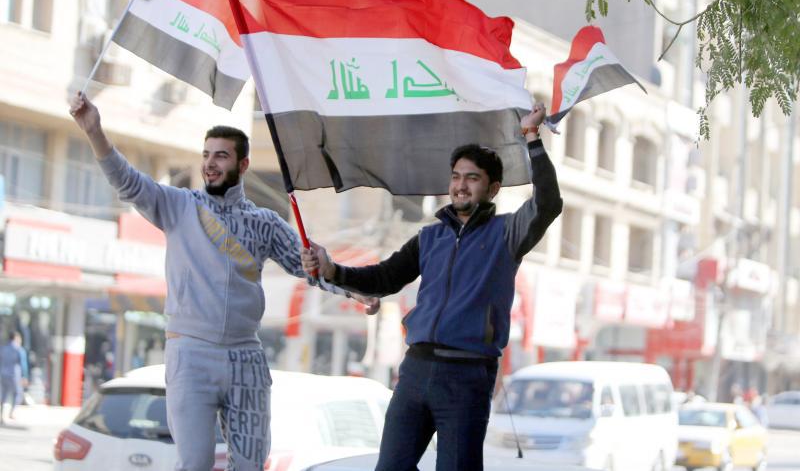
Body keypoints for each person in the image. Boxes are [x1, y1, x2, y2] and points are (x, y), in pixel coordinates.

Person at [69, 92, 374, 471]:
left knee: (249, 465)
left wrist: (356, 288)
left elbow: (309, 267)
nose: (210, 165)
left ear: (243, 164)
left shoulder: (264, 222)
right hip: (191, 355)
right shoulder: (178, 206)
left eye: (221, 156)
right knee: (194, 463)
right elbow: (128, 182)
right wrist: (94, 131)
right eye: (207, 155)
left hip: (246, 357)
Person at [301, 102, 562, 471]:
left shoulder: (507, 234)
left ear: (493, 188)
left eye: (472, 178)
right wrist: (332, 269)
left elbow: (548, 203)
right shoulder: (430, 237)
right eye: (456, 176)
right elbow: (384, 278)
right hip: (415, 372)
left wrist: (532, 137)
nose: (460, 185)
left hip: (467, 376)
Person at [0, 331, 28, 424]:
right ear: (16, 338)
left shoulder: (3, 349)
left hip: (3, 374)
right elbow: (23, 364)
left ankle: (1, 414)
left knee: (3, 395)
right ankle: (11, 413)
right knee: (18, 394)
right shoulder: (19, 349)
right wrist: (24, 376)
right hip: (14, 375)